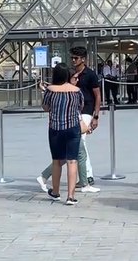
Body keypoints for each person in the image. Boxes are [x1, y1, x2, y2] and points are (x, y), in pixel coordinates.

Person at [38, 47, 102, 194]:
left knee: (78, 148)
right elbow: (64, 91)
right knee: (77, 149)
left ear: (83, 59)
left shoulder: (90, 74)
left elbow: (97, 95)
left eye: (76, 58)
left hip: (85, 112)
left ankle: (84, 180)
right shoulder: (70, 74)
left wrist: (96, 116)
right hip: (74, 115)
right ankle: (84, 181)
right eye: (72, 58)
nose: (73, 60)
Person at [41, 63, 83, 205]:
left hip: (55, 128)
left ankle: (56, 192)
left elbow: (45, 107)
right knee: (72, 160)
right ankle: (71, 196)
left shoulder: (50, 90)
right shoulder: (76, 90)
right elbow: (80, 106)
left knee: (57, 161)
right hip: (73, 128)